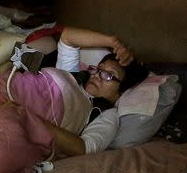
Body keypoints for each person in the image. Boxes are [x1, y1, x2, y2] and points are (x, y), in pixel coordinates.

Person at [39, 26, 149, 157]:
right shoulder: (72, 77)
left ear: (120, 93)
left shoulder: (108, 114)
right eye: (98, 69)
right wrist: (113, 42)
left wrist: (33, 120)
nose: (96, 75)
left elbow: (85, 147)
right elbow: (67, 37)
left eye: (108, 75)